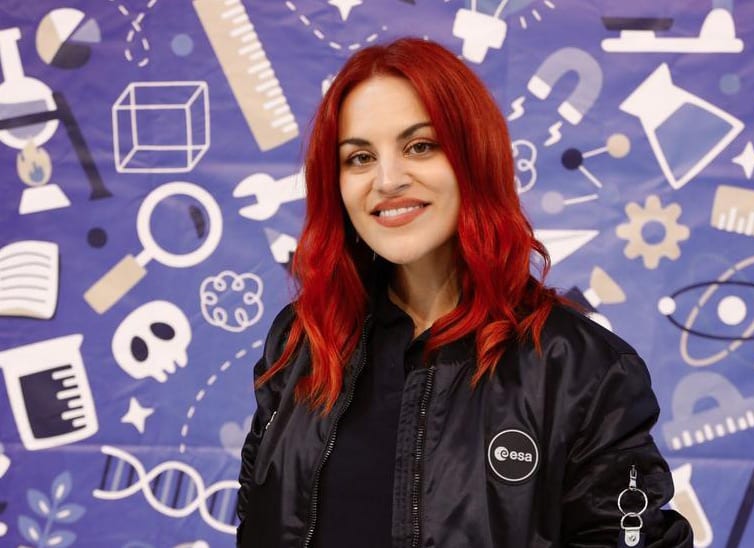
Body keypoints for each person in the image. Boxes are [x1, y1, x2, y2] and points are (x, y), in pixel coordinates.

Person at [237, 37, 693, 547]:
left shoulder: (578, 369)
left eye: (420, 146)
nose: (387, 180)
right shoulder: (304, 339)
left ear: (475, 157)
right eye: (360, 157)